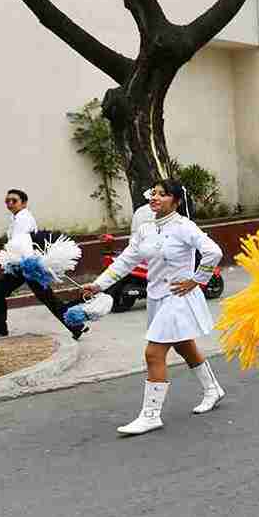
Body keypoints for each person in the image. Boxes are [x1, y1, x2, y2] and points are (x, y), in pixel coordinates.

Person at [82, 180, 225, 436]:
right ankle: (213, 389)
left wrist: (196, 280)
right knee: (184, 346)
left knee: (153, 353)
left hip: (178, 297)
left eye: (163, 194)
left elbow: (213, 252)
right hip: (156, 297)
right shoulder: (146, 229)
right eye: (154, 193)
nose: (156, 198)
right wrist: (99, 285)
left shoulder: (184, 227)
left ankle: (150, 416)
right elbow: (126, 261)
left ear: (176, 201)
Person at [0, 189, 85, 341]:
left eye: (14, 201)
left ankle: (76, 325)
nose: (10, 204)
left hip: (28, 265)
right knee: (0, 292)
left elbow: (17, 243)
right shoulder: (16, 218)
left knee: (44, 297)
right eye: (7, 201)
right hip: (21, 264)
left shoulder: (23, 218)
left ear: (23, 203)